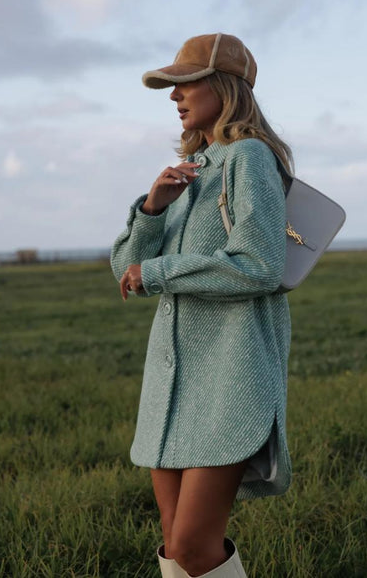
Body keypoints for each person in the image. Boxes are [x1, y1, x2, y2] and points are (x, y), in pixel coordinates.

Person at [111, 33, 293, 578]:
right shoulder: (192, 170)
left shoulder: (249, 157)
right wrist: (152, 209)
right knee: (176, 548)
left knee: (193, 546)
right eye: (172, 87)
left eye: (186, 83)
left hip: (228, 378)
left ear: (225, 87)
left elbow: (260, 264)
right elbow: (127, 273)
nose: (174, 96)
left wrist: (160, 272)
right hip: (171, 383)